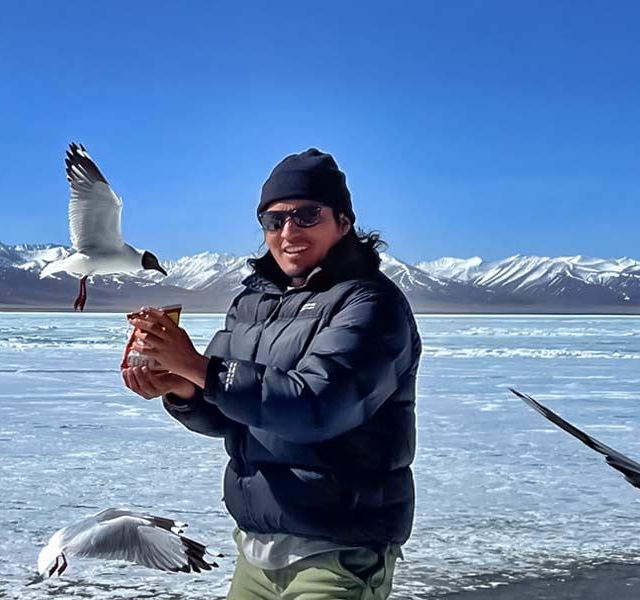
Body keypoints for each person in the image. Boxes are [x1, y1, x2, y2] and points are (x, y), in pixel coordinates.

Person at [123, 148, 421, 600]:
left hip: (338, 551)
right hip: (257, 551)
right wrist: (184, 388)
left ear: (343, 221)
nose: (288, 232)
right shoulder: (252, 304)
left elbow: (316, 407)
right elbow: (233, 414)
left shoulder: (370, 304)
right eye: (273, 220)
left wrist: (199, 367)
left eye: (306, 215)